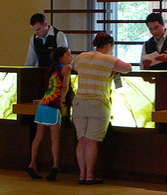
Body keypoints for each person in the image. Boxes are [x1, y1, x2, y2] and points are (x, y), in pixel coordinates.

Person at [72, 32, 132, 185]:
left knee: (82, 140)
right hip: (98, 103)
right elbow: (127, 68)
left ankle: (82, 175)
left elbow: (75, 67)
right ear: (108, 46)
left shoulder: (81, 56)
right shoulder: (108, 59)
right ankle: (90, 176)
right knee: (92, 141)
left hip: (78, 102)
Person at [26, 47, 73, 181]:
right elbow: (65, 86)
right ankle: (55, 166)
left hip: (43, 103)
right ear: (61, 58)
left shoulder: (53, 68)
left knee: (38, 136)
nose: (71, 56)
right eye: (68, 54)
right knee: (55, 137)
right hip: (53, 105)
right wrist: (62, 99)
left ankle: (32, 163)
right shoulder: (67, 68)